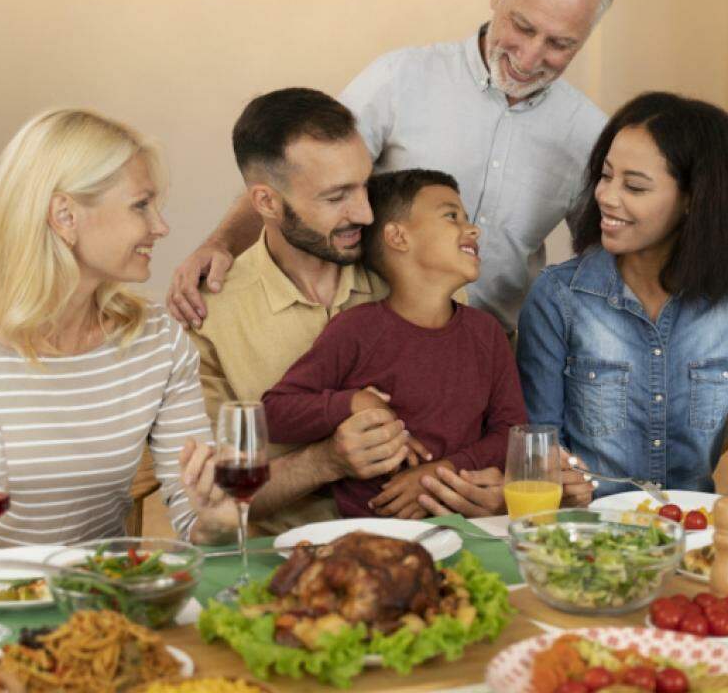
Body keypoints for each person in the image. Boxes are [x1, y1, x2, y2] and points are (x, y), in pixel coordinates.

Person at [166, 0, 728, 337]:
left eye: (560, 43)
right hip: (367, 334)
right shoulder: (400, 78)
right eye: (522, 25)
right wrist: (220, 242)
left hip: (497, 351)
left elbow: (636, 238)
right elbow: (302, 175)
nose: (529, 54)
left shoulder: (591, 135)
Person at [192, 90, 592, 528]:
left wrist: (486, 488)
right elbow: (206, 505)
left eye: (364, 184)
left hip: (439, 539)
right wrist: (325, 461)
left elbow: (493, 437)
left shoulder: (426, 283)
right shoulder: (209, 315)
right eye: (336, 196)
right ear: (266, 202)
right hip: (284, 555)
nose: (366, 213)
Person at [0, 109, 237, 571]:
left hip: (100, 605)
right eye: (141, 205)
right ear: (65, 215)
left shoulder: (156, 339)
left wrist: (216, 519)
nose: (161, 226)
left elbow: (196, 517)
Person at [517, 93, 728, 497]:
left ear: (693, 200)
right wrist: (555, 478)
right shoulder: (558, 297)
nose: (606, 196)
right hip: (590, 540)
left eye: (634, 185)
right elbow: (539, 446)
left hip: (695, 535)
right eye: (606, 175)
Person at [264, 170, 523, 518]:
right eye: (451, 216)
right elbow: (274, 412)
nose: (473, 229)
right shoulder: (356, 330)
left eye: (467, 218)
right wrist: (354, 402)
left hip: (468, 529)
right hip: (369, 536)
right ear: (398, 236)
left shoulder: (487, 333)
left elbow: (512, 433)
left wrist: (439, 473)